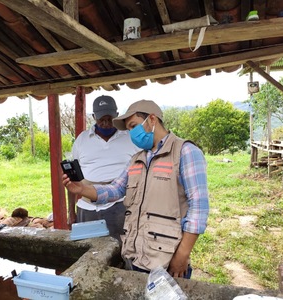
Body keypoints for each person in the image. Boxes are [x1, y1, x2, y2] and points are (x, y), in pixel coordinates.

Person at [63, 99, 209, 279]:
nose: (132, 134)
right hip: (137, 255)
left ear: (152, 120)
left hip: (167, 258)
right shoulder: (137, 158)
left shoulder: (185, 151)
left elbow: (199, 208)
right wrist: (81, 189)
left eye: (133, 126)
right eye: (129, 129)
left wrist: (182, 255)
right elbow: (115, 190)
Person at [72, 95, 139, 244]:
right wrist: (71, 212)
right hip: (87, 206)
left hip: (120, 204)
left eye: (110, 118)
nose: (106, 123)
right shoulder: (82, 140)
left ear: (117, 114)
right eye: (102, 119)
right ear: (94, 116)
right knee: (87, 249)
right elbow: (73, 177)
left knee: (121, 249)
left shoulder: (130, 138)